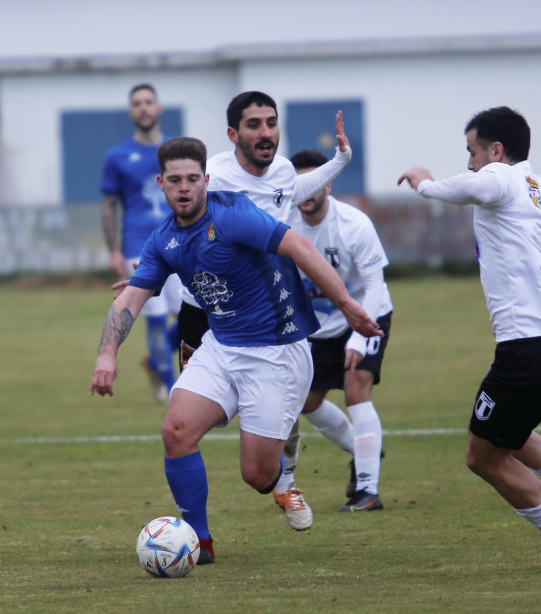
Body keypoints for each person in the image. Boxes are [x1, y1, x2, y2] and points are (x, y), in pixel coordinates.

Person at [91, 137, 381, 566]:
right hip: (222, 345)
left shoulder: (233, 215)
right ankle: (199, 543)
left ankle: (280, 475)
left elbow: (299, 248)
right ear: (161, 184)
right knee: (176, 432)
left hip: (276, 352)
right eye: (175, 180)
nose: (185, 187)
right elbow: (131, 297)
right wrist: (107, 353)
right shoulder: (164, 239)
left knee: (256, 475)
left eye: (193, 179)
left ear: (206, 180)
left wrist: (348, 305)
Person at [397, 106, 541, 569]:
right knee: (509, 434)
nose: (470, 163)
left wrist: (424, 182)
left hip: (525, 351)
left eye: (472, 152)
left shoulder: (500, 179)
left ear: (496, 151)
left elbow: (475, 185)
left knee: (482, 457)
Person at [177, 91, 354, 530]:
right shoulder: (213, 174)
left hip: (267, 311)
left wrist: (338, 162)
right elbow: (180, 213)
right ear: (233, 134)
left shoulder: (282, 171)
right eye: (254, 124)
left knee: (277, 407)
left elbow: (292, 192)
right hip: (203, 309)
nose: (265, 132)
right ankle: (204, 521)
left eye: (271, 122)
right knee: (196, 422)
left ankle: (284, 479)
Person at [287, 149, 393, 513]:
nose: (306, 191)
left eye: (313, 182)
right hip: (314, 327)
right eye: (299, 184)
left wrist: (361, 334)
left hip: (366, 315)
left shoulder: (354, 224)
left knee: (355, 388)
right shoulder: (281, 225)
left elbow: (375, 286)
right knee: (307, 403)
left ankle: (368, 491)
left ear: (327, 183)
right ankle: (363, 448)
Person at [100, 83, 181, 402]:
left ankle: (155, 362)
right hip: (138, 247)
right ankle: (175, 391)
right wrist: (114, 251)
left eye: (149, 102)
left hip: (177, 243)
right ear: (131, 112)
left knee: (194, 314)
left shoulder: (175, 150)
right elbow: (109, 205)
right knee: (156, 320)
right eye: (137, 103)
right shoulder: (117, 156)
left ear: (159, 108)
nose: (144, 107)